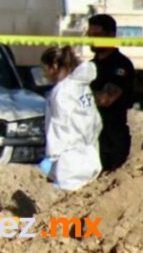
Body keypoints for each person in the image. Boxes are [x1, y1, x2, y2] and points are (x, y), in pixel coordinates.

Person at [39, 46, 102, 191]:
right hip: (90, 155)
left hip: (70, 163)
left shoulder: (62, 91)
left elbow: (59, 127)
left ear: (54, 66)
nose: (44, 75)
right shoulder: (82, 87)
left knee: (65, 208)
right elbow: (95, 121)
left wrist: (52, 156)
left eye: (44, 70)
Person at [86, 14, 136, 171]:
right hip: (90, 136)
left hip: (112, 138)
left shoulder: (121, 65)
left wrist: (81, 94)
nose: (92, 39)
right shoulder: (89, 66)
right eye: (90, 35)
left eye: (97, 35)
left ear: (111, 35)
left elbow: (105, 99)